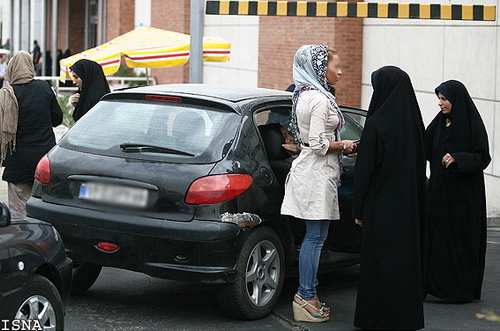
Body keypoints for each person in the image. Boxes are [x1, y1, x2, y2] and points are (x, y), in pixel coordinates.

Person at [281, 45, 356, 323]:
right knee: (314, 239)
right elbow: (317, 143)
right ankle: (305, 296)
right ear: (320, 69)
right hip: (315, 175)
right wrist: (346, 144)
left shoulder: (304, 95)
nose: (340, 71)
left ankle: (308, 294)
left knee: (314, 238)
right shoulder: (321, 100)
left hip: (313, 173)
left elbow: (305, 142)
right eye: (335, 65)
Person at [352, 66, 426, 330]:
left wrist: (358, 209)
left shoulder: (376, 124)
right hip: (409, 207)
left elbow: (365, 172)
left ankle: (378, 319)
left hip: (381, 207)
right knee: (404, 262)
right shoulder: (415, 123)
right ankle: (405, 318)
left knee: (379, 263)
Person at [424, 80, 490, 303]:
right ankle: (436, 286)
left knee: (459, 243)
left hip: (463, 199)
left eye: (444, 99)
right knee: (436, 241)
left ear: (456, 100)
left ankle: (459, 290)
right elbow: (423, 145)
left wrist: (458, 158)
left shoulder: (470, 123)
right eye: (439, 99)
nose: (440, 104)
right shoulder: (440, 123)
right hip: (439, 196)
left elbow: (482, 156)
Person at [0, 50, 62, 214]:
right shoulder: (44, 87)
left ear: (12, 68)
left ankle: (23, 239)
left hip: (18, 161)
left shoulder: (7, 94)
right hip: (44, 160)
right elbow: (57, 119)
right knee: (41, 208)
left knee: (19, 210)